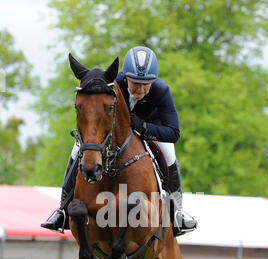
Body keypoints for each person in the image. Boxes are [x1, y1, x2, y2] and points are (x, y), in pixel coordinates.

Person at [41, 46, 197, 236]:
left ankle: (177, 211)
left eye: (145, 84)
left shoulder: (161, 91)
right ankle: (62, 210)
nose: (140, 89)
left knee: (169, 153)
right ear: (125, 78)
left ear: (153, 81)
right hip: (114, 132)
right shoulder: (113, 84)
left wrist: (144, 127)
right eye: (135, 83)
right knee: (77, 150)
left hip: (150, 129)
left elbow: (173, 132)